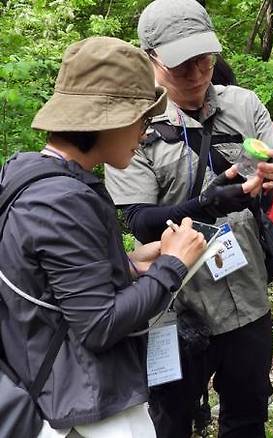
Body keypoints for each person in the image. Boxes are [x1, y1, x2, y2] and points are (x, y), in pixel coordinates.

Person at [103, 0, 273, 436]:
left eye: (205, 60)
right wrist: (209, 205)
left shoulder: (243, 104)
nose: (196, 74)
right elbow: (140, 221)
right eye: (181, 65)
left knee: (248, 413)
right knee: (170, 420)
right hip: (175, 306)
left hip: (247, 296)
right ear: (151, 59)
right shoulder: (133, 125)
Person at [0, 37, 207, 437]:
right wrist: (172, 265)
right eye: (143, 120)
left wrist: (127, 264)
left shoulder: (32, 179)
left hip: (55, 385)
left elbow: (52, 286)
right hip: (88, 406)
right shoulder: (62, 202)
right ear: (106, 119)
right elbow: (98, 325)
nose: (145, 134)